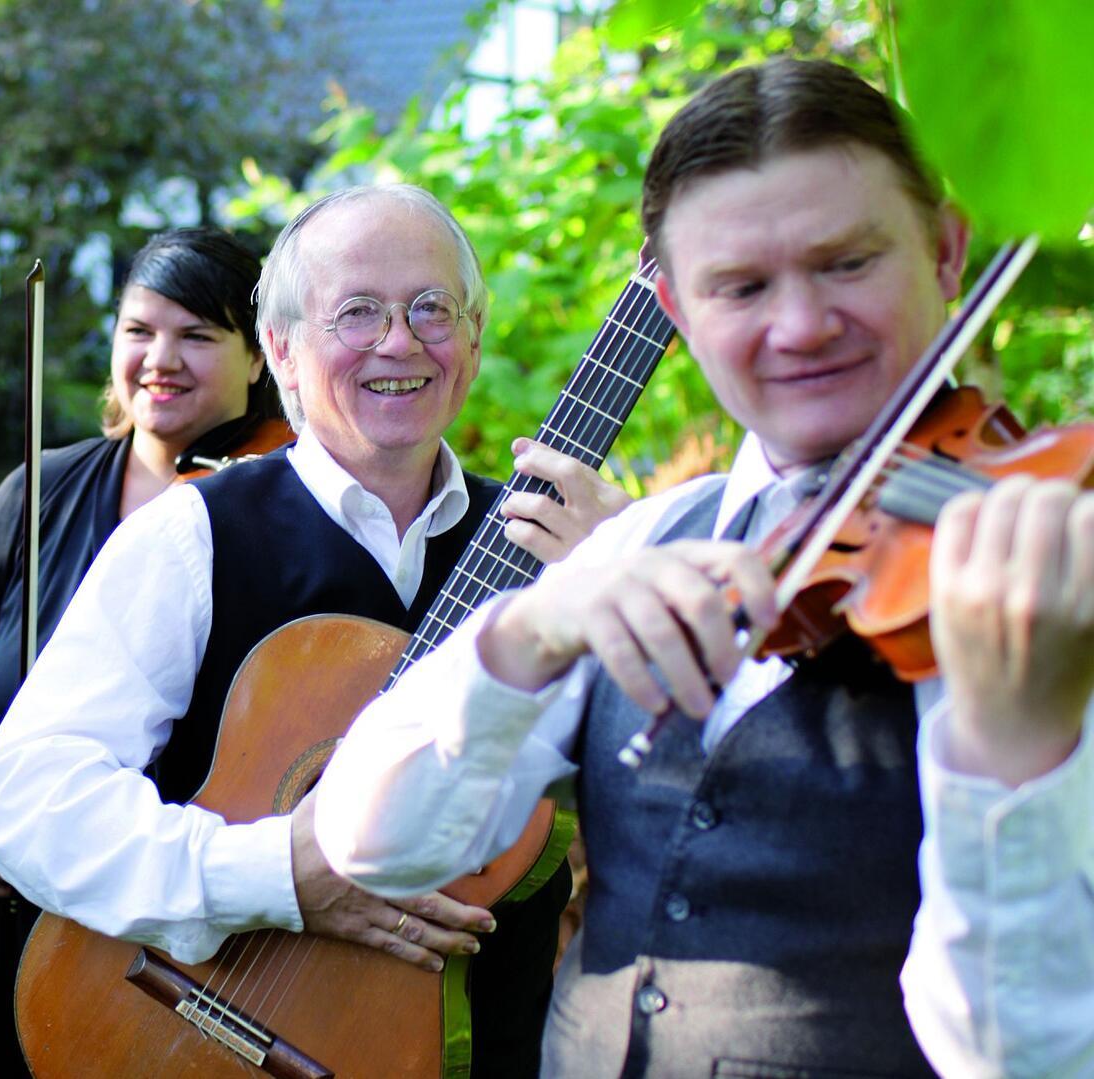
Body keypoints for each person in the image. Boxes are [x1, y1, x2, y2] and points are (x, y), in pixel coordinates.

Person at [313, 58, 1094, 1078]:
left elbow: (1035, 1057)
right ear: (677, 311)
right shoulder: (644, 543)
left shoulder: (1050, 566)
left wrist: (1012, 748)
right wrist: (526, 632)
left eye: (848, 261)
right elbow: (375, 846)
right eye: (742, 285)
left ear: (947, 252)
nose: (801, 323)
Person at [0, 186, 634, 1075]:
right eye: (357, 312)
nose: (399, 341)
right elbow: (28, 799)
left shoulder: (569, 553)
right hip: (194, 1027)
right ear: (280, 349)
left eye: (432, 309)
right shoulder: (192, 533)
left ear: (473, 340)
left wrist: (634, 586)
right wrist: (275, 872)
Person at [0, 226, 284, 1074]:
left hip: (199, 948)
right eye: (140, 330)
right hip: (17, 922)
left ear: (259, 359)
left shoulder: (279, 514)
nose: (161, 358)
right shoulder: (39, 491)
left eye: (198, 335)